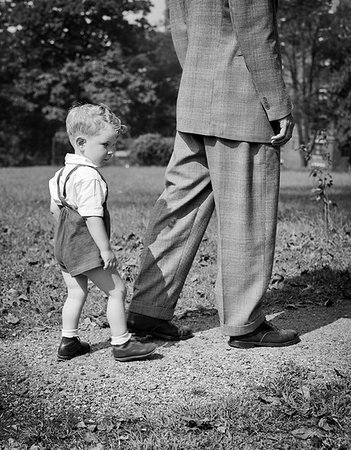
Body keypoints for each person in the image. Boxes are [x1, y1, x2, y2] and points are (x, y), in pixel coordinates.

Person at [127, 0, 300, 348]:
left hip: (196, 96)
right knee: (246, 211)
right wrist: (277, 103)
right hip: (240, 99)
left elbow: (180, 28)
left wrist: (198, 76)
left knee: (179, 207)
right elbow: (255, 30)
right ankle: (244, 323)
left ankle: (148, 309)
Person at [49, 103, 157, 361]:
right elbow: (92, 216)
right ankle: (121, 343)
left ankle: (69, 340)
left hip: (65, 245)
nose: (111, 151)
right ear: (81, 142)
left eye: (112, 145)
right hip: (87, 247)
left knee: (76, 292)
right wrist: (105, 249)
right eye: (105, 145)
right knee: (117, 290)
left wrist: (64, 239)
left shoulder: (62, 173)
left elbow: (55, 209)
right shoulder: (89, 177)